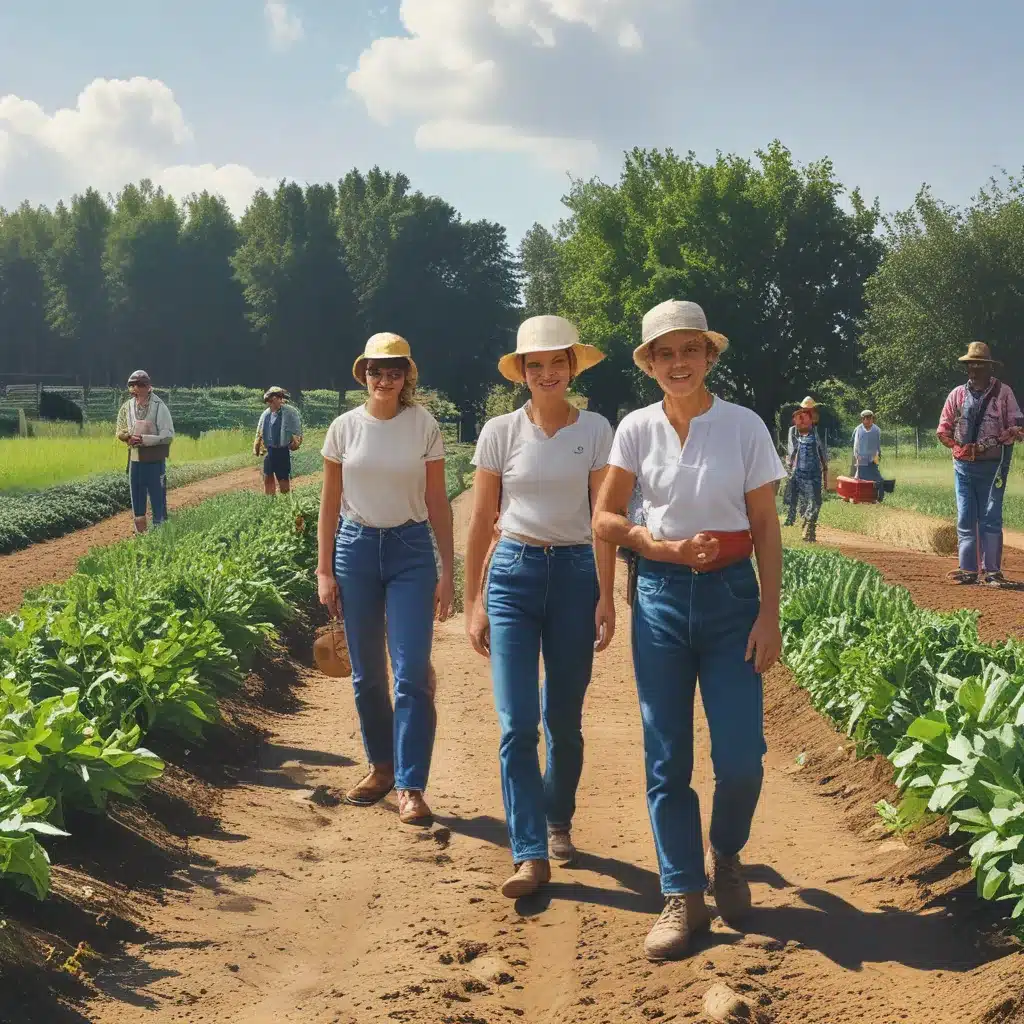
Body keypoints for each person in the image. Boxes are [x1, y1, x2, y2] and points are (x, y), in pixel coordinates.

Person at [592, 299, 785, 962]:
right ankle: (682, 894)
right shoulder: (635, 431)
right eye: (664, 353)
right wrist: (656, 545)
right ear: (649, 365)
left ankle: (725, 852)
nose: (679, 363)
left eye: (690, 351)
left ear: (708, 357)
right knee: (666, 755)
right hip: (662, 601)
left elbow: (764, 526)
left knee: (741, 758)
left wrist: (769, 614)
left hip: (734, 600)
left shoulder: (744, 427)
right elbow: (605, 518)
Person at [463, 315, 616, 900]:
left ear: (571, 368)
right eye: (536, 365)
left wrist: (606, 594)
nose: (547, 373)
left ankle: (557, 821)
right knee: (516, 723)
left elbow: (602, 519)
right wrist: (474, 599)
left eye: (558, 363)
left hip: (576, 575)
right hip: (513, 576)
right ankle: (528, 852)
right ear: (521, 373)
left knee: (564, 723)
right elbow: (480, 519)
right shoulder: (499, 432)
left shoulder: (597, 430)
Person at [316, 333, 455, 826]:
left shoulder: (424, 426)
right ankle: (381, 768)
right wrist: (324, 569)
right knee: (367, 673)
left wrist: (448, 572)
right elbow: (329, 503)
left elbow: (438, 501)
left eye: (394, 370)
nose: (384, 378)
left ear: (406, 376)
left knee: (412, 670)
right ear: (364, 374)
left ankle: (412, 786)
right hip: (355, 550)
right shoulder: (343, 429)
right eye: (376, 370)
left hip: (411, 550)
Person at [937, 341, 1024, 586]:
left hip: (994, 466)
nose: (974, 369)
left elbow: (1018, 425)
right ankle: (968, 570)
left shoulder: (1004, 393)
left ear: (989, 368)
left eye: (979, 365)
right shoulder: (957, 395)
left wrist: (1007, 435)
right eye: (971, 365)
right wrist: (957, 447)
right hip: (962, 467)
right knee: (965, 517)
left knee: (991, 517)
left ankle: (992, 571)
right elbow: (942, 429)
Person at [115, 370, 175, 534]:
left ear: (148, 387)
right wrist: (127, 437)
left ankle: (160, 531)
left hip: (155, 459)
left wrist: (145, 439)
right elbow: (119, 430)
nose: (136, 389)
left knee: (157, 496)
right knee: (137, 496)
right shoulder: (127, 407)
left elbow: (168, 435)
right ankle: (140, 533)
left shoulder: (159, 407)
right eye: (133, 386)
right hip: (135, 459)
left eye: (140, 385)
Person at [783, 397, 828, 542]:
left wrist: (825, 469)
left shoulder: (814, 431)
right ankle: (804, 523)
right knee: (803, 501)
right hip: (799, 470)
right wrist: (791, 469)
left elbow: (821, 450)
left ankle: (810, 527)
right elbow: (792, 451)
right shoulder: (793, 431)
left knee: (816, 501)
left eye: (811, 411)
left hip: (814, 470)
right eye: (806, 411)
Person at [254, 387, 304, 495]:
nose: (270, 404)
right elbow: (260, 430)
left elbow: (297, 430)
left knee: (283, 480)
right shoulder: (266, 414)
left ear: (279, 399)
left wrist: (296, 441)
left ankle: (285, 501)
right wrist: (257, 445)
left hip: (282, 451)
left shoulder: (290, 412)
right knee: (267, 477)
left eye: (272, 401)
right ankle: (270, 501)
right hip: (270, 451)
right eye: (268, 402)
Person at [851, 409, 884, 500]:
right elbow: (856, 444)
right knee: (859, 478)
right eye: (866, 418)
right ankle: (857, 496)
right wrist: (857, 456)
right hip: (861, 457)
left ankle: (878, 497)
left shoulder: (877, 430)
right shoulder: (858, 429)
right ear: (862, 419)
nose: (868, 420)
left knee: (878, 478)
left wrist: (878, 456)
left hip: (873, 457)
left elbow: (878, 445)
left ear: (873, 419)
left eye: (870, 418)